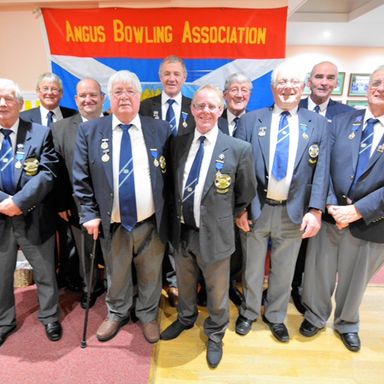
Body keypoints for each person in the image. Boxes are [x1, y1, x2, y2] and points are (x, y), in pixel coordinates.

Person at [160, 84, 257, 368]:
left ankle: (215, 332)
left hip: (215, 233)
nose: (205, 111)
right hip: (182, 232)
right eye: (200, 106)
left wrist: (228, 214)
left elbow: (246, 191)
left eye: (211, 106)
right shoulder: (177, 143)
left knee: (216, 290)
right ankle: (186, 318)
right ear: (192, 110)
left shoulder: (239, 148)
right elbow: (170, 186)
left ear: (220, 110)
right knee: (185, 282)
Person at [234, 59, 329, 343]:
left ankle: (275, 316)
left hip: (294, 211)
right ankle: (249, 312)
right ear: (273, 88)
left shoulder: (318, 124)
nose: (287, 87)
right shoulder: (251, 120)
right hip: (255, 210)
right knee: (251, 268)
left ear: (303, 88)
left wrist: (316, 210)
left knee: (284, 270)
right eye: (282, 83)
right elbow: (238, 170)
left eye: (293, 83)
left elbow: (321, 170)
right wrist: (240, 207)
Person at [72, 70, 171, 344]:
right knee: (116, 273)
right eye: (118, 92)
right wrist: (89, 213)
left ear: (140, 97)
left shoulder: (160, 130)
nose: (124, 97)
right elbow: (80, 178)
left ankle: (148, 314)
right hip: (112, 221)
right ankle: (117, 312)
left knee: (151, 272)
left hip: (151, 221)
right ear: (109, 99)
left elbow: (171, 175)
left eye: (130, 91)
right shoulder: (90, 131)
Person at [299, 65, 384, 352]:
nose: (380, 88)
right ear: (368, 86)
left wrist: (359, 210)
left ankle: (347, 323)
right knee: (319, 270)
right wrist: (332, 204)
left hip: (370, 220)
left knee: (355, 276)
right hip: (331, 215)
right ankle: (314, 315)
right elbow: (324, 163)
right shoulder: (344, 120)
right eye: (377, 82)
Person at [0, 78, 62, 347]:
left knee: (46, 272)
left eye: (8, 99)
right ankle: (4, 320)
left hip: (33, 215)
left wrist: (20, 202)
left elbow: (48, 173)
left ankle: (50, 317)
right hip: (0, 219)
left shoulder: (39, 133)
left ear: (20, 103)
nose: (2, 104)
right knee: (1, 275)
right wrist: (4, 202)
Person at [291, 61, 355, 313]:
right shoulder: (294, 106)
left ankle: (303, 290)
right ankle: (286, 285)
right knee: (292, 246)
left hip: (328, 197)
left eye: (330, 78)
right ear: (309, 81)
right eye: (319, 77)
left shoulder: (347, 115)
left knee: (315, 252)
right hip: (295, 193)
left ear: (336, 83)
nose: (324, 82)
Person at [140, 55, 195, 308]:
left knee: (177, 234)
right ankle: (154, 281)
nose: (171, 78)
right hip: (151, 183)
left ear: (185, 78)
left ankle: (174, 282)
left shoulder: (195, 107)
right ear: (160, 77)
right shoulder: (144, 106)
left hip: (185, 183)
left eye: (177, 74)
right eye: (167, 74)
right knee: (154, 233)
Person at [20, 72, 79, 291]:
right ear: (37, 92)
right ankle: (48, 281)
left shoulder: (73, 116)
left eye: (54, 89)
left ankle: (69, 277)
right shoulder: (25, 118)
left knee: (69, 240)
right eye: (45, 88)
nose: (50, 92)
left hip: (66, 190)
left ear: (61, 93)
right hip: (36, 193)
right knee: (42, 240)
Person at [51, 78, 106, 309]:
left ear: (103, 98)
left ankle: (117, 290)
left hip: (112, 203)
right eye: (83, 96)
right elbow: (58, 169)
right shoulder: (60, 128)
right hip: (76, 203)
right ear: (75, 100)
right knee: (85, 251)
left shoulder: (115, 124)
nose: (88, 100)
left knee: (114, 251)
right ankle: (89, 288)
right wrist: (61, 202)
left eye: (93, 95)